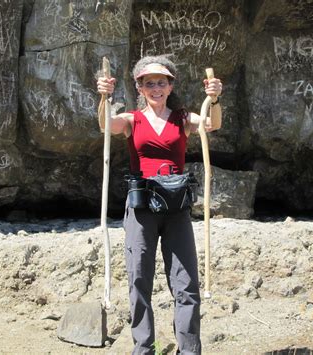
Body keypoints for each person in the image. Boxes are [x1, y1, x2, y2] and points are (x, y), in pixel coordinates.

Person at [97, 55, 222, 355]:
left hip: (176, 208)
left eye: (161, 83)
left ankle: (189, 350)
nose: (156, 88)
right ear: (139, 88)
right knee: (139, 280)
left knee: (186, 283)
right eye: (149, 83)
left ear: (170, 86)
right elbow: (106, 125)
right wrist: (104, 97)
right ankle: (144, 348)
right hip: (141, 209)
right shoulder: (131, 120)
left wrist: (214, 99)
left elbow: (211, 124)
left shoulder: (182, 118)